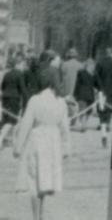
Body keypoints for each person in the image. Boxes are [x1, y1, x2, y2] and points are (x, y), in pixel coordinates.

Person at [13, 67, 70, 220]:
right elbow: (65, 128)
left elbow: (26, 124)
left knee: (34, 181)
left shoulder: (35, 100)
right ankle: (42, 215)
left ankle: (36, 216)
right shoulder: (61, 102)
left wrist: (18, 147)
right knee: (46, 180)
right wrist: (66, 148)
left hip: (37, 141)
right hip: (53, 142)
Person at [0, 56, 27, 149]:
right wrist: (26, 99)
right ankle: (1, 138)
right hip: (14, 98)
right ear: (18, 64)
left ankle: (13, 139)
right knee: (12, 120)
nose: (23, 66)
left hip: (5, 97)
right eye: (22, 64)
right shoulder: (19, 74)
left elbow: (2, 86)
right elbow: (22, 88)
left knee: (6, 118)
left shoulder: (7, 73)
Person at [94, 48, 112, 148]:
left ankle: (103, 128)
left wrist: (99, 87)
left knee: (102, 110)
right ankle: (108, 123)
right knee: (110, 109)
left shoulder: (100, 62)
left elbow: (96, 76)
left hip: (102, 90)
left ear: (105, 54)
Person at [73, 59, 95, 133]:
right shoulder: (93, 74)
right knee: (87, 110)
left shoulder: (80, 73)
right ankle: (84, 125)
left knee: (83, 110)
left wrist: (74, 94)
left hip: (81, 94)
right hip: (90, 95)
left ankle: (83, 125)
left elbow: (77, 84)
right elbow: (96, 85)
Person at [60, 49, 81, 126]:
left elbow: (61, 76)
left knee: (66, 103)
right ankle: (74, 120)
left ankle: (66, 119)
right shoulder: (80, 65)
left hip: (66, 86)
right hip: (76, 87)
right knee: (75, 103)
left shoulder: (64, 64)